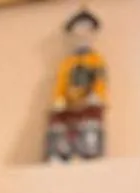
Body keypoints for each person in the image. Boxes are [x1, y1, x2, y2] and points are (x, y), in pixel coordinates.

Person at [45, 9, 108, 163]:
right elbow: (60, 82)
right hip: (69, 103)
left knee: (90, 121)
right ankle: (59, 153)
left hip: (88, 102)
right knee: (57, 122)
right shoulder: (67, 63)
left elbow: (100, 80)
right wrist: (59, 99)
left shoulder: (96, 60)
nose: (82, 35)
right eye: (78, 31)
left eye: (86, 30)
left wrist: (97, 95)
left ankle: (89, 151)